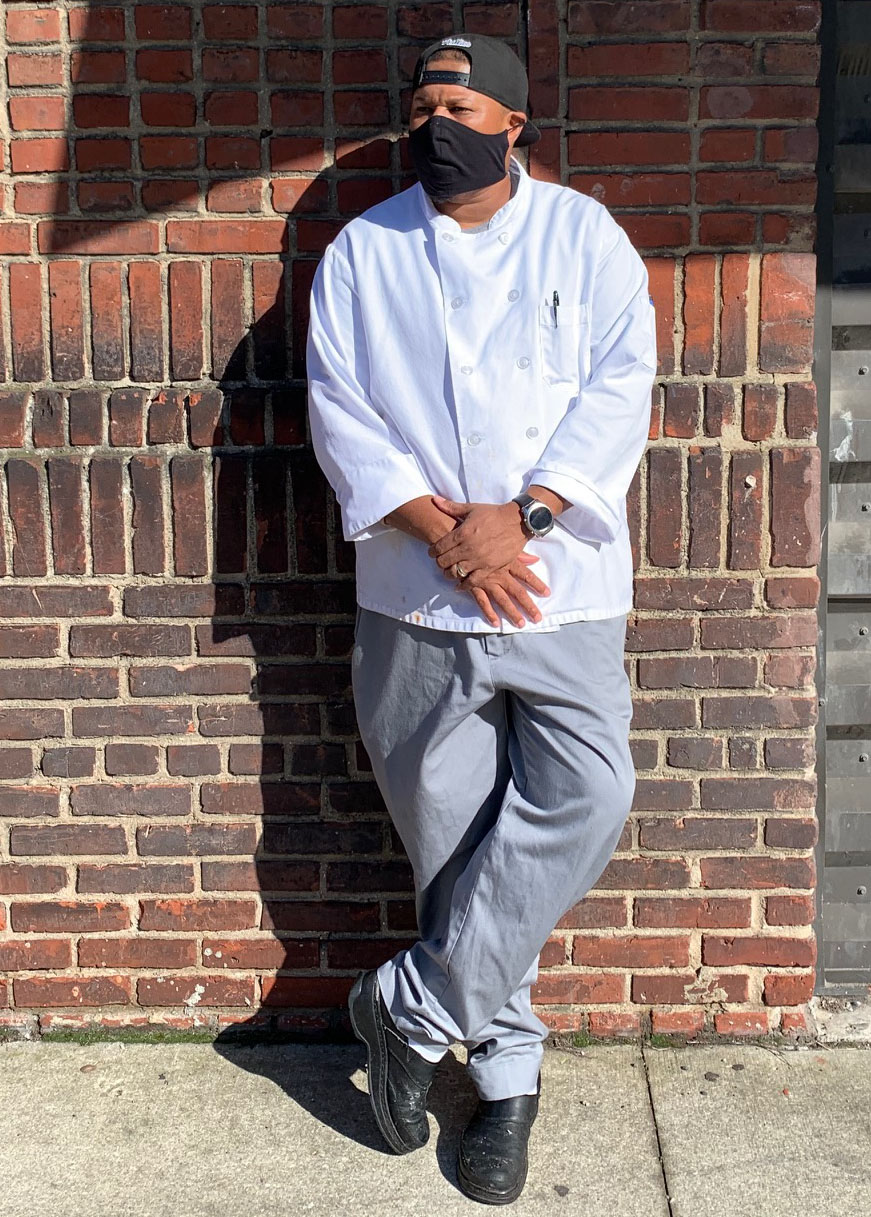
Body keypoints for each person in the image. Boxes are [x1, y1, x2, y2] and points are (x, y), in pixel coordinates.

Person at [306, 32, 657, 1205]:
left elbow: (619, 385)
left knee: (590, 791)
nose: (431, 120)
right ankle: (505, 1081)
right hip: (415, 595)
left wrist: (529, 514)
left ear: (512, 120)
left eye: (456, 101)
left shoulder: (583, 236)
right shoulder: (365, 249)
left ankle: (403, 1007)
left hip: (556, 586)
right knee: (452, 851)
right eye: (419, 102)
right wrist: (444, 531)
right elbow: (340, 407)